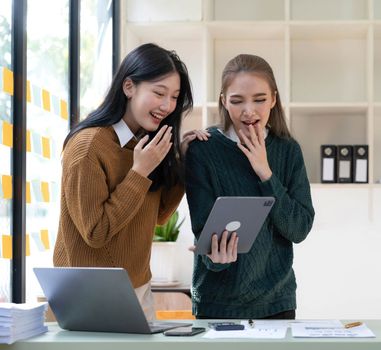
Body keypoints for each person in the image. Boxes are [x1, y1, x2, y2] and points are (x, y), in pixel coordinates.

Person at [53, 43, 208, 320]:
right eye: (159, 93)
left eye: (174, 97)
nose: (167, 105)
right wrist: (139, 173)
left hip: (138, 287)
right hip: (90, 294)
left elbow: (158, 216)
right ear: (129, 87)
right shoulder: (88, 147)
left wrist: (183, 162)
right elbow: (96, 233)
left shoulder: (147, 144)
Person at [185, 54, 315, 319]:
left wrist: (265, 172)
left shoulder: (288, 151)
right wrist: (214, 258)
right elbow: (204, 231)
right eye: (236, 101)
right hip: (217, 304)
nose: (248, 111)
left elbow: (299, 228)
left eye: (259, 99)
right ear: (223, 101)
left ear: (274, 99)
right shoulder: (203, 150)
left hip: (276, 303)